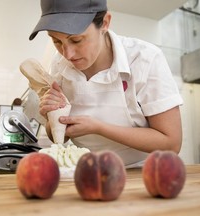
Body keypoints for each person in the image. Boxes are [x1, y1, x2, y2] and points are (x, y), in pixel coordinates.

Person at [29, 0, 183, 168]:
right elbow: (60, 137)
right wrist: (53, 120)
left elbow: (171, 143)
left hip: (144, 172)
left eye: (76, 40)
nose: (68, 54)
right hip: (87, 172)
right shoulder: (59, 65)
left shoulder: (145, 59)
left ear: (105, 23)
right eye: (56, 41)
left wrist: (98, 127)